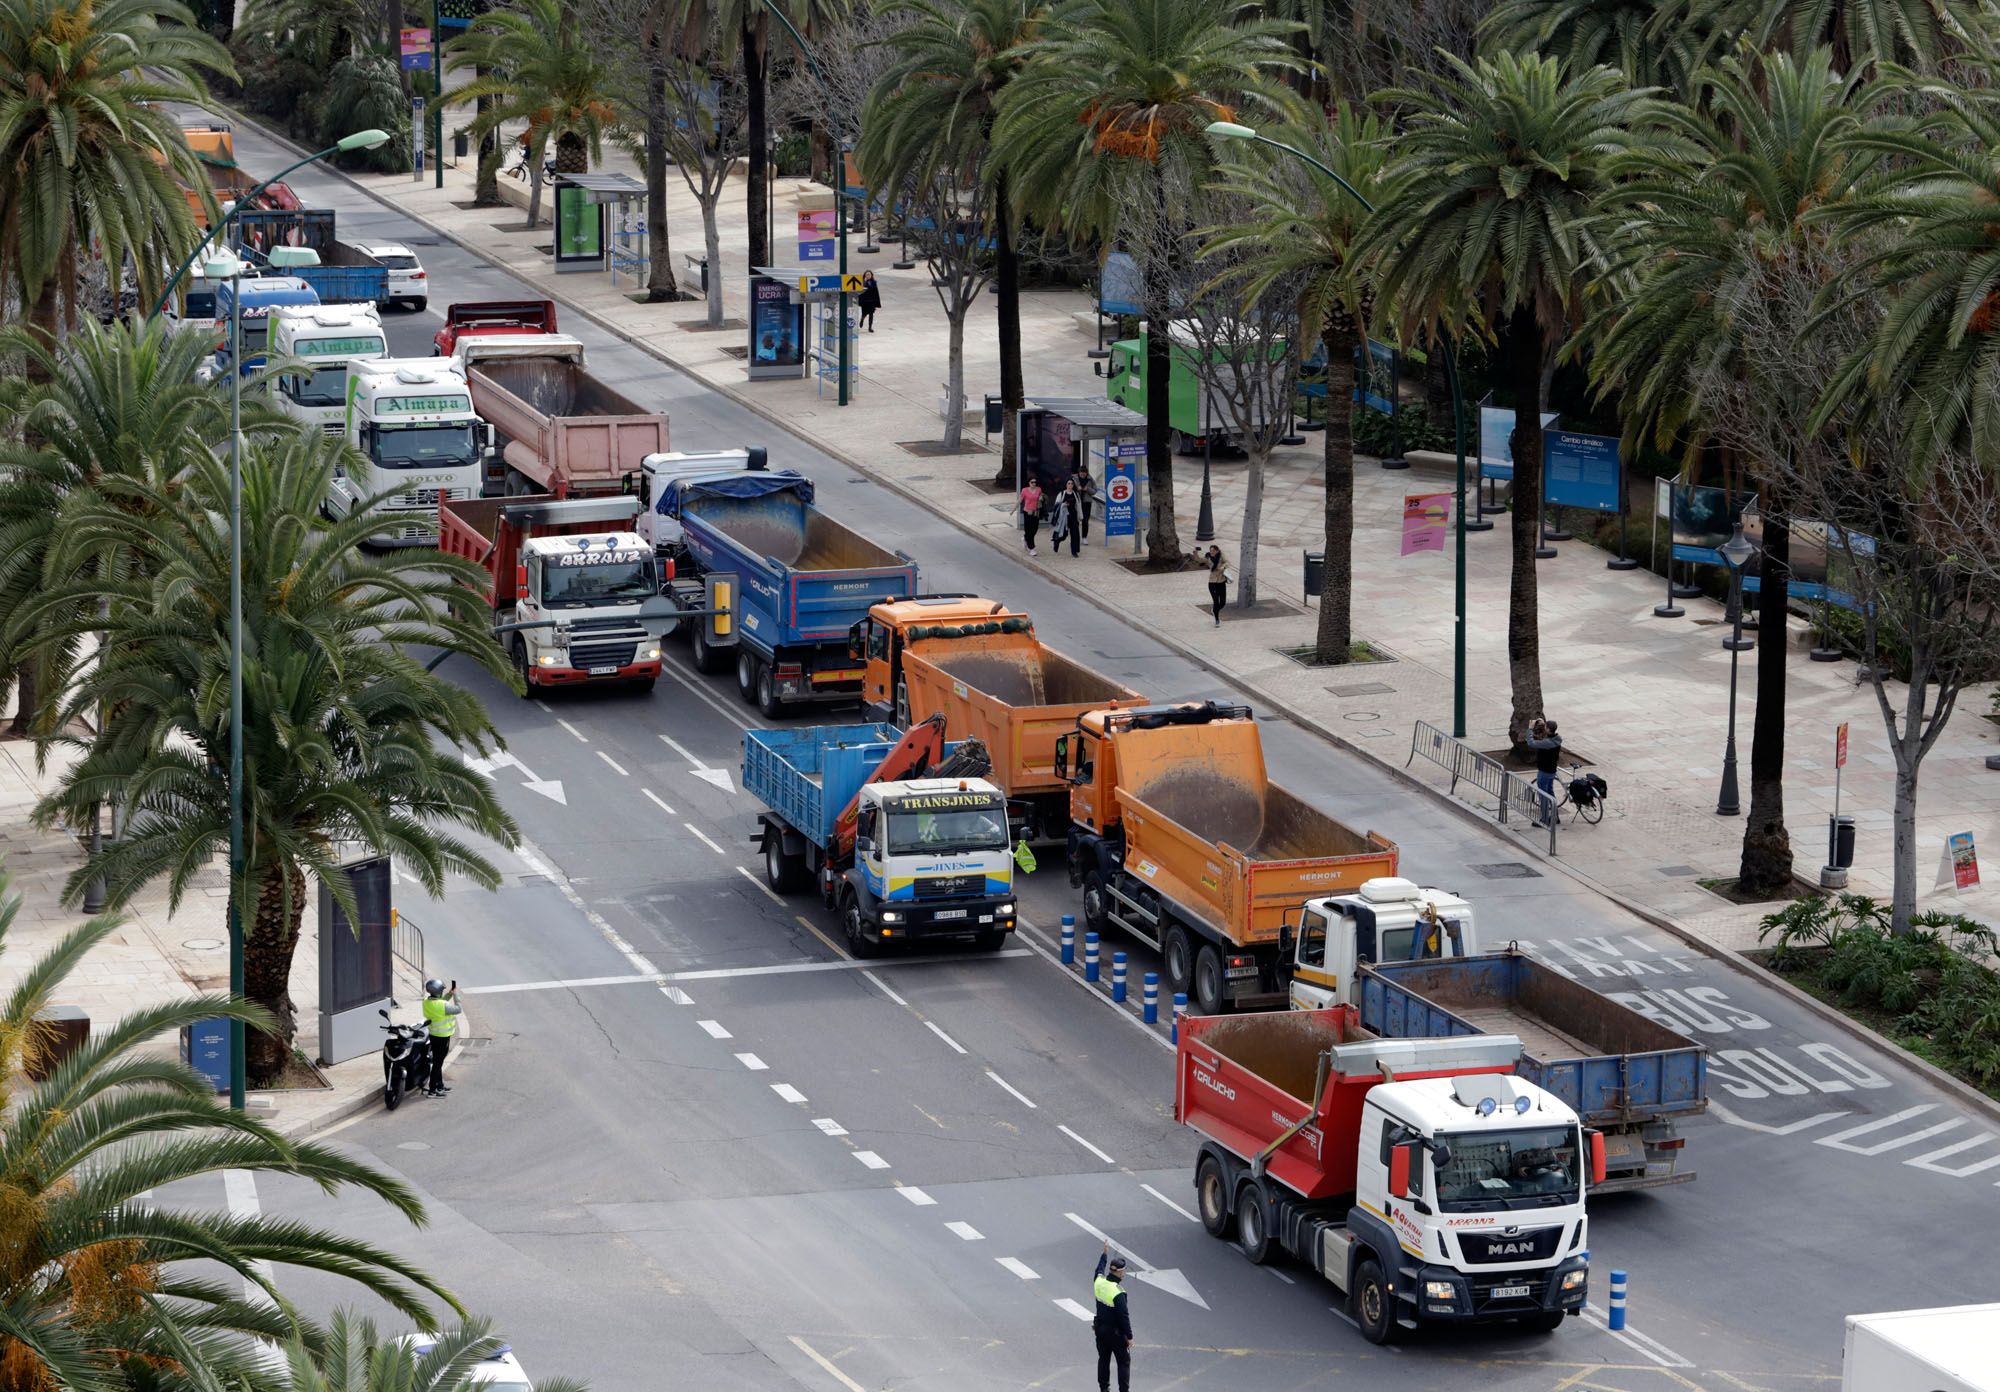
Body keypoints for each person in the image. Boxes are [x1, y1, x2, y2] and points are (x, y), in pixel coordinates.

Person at [1092, 1240, 1132, 1392]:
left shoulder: (1099, 1282)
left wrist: (1104, 1254)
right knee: (1123, 1362)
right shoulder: (1118, 1292)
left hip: (1100, 1331)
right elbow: (1123, 1316)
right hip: (1116, 1334)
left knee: (1103, 1360)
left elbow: (1099, 1270)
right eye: (1124, 1271)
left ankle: (1104, 1389)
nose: (1124, 1273)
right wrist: (1129, 1336)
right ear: (1120, 1272)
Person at [421, 978, 462, 1098]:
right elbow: (458, 1009)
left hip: (434, 1035)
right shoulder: (442, 1005)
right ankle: (433, 1090)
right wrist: (456, 996)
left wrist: (449, 994)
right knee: (438, 1064)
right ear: (438, 991)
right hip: (442, 1038)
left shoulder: (427, 1002)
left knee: (438, 1062)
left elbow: (441, 1002)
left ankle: (439, 1086)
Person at [1527, 718, 1562, 826]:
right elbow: (1548, 734)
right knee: (1550, 794)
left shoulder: (1547, 743)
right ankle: (1555, 817)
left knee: (1543, 796)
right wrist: (1543, 725)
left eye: (1545, 726)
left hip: (1544, 772)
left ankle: (1544, 819)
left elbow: (1531, 743)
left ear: (1548, 729)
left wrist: (1530, 729)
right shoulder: (1557, 738)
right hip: (1552, 771)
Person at [1205, 545, 1230, 626]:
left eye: (1213, 550)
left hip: (1221, 582)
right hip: (1212, 583)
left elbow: (1227, 562)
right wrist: (1195, 552)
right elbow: (1199, 560)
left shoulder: (1221, 556)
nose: (1211, 552)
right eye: (1210, 550)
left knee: (1222, 603)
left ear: (1217, 551)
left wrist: (1223, 567)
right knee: (1216, 601)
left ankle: (1215, 610)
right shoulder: (1208, 557)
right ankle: (1217, 620)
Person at [1049, 480, 1074, 557]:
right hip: (1062, 516)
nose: (1070, 485)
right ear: (1066, 485)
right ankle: (1056, 541)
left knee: (1067, 535)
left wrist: (1080, 516)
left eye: (1072, 484)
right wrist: (1064, 504)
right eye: (1068, 483)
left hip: (1072, 515)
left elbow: (1078, 505)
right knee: (1063, 534)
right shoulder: (1062, 493)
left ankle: (1057, 540)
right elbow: (1056, 505)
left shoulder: (1075, 494)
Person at [1020, 478, 1043, 554]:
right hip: (1027, 512)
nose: (1034, 483)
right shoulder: (1024, 490)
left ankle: (1025, 538)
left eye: (1035, 482)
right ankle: (1031, 548)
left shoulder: (1039, 489)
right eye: (1032, 482)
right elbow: (1020, 500)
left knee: (1035, 529)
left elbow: (1041, 496)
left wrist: (1041, 498)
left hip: (1035, 512)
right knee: (1029, 530)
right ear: (1029, 483)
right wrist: (1013, 509)